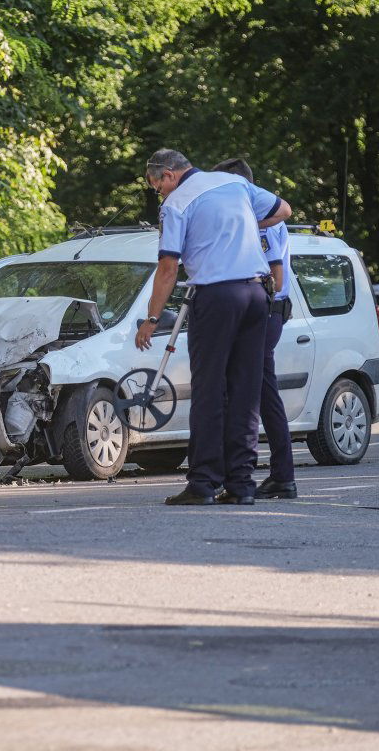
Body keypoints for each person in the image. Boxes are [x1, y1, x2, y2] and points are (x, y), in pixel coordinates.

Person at [135, 149, 290, 505]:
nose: (158, 193)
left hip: (217, 296)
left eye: (156, 185)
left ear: (169, 175)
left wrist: (152, 318)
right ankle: (241, 485)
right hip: (256, 294)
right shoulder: (235, 183)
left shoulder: (176, 205)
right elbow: (284, 211)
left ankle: (203, 483)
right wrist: (242, 226)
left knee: (208, 390)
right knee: (245, 392)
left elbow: (168, 269)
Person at [211, 158, 297, 499]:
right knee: (254, 390)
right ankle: (270, 473)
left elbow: (274, 274)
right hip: (264, 310)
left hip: (265, 309)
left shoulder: (262, 222)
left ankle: (280, 475)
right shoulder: (252, 218)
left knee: (259, 391)